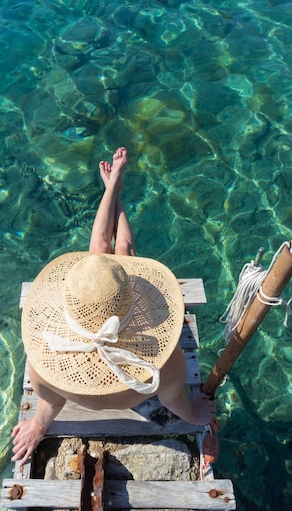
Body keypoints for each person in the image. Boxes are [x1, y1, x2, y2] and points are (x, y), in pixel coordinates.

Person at [12, 147, 215, 466]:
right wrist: (193, 414)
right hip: (133, 342)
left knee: (100, 255)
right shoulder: (162, 363)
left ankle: (112, 188)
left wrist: (38, 426)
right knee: (121, 249)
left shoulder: (46, 363)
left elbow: (50, 399)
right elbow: (174, 400)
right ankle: (115, 189)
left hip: (84, 340)